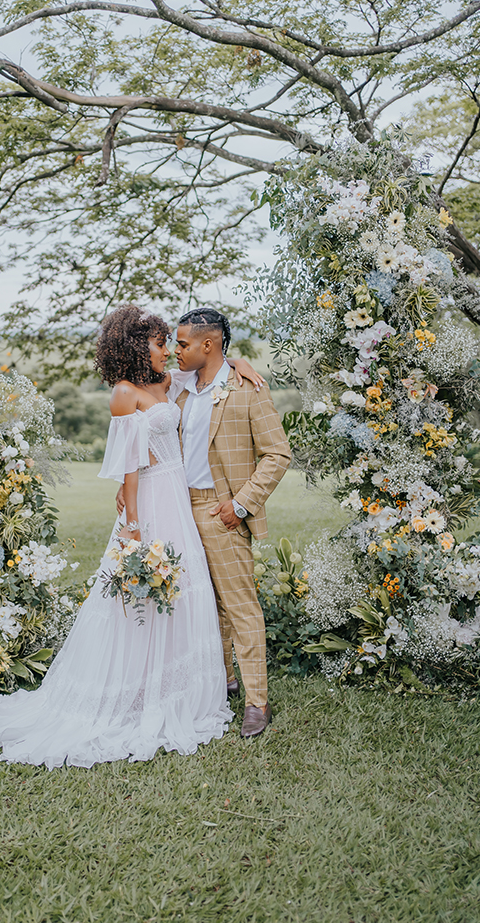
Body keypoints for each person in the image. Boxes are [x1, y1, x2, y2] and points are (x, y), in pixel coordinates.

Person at [0, 305, 260, 768]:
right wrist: (131, 524)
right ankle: (133, 695)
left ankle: (182, 690)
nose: (167, 351)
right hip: (149, 498)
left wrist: (239, 362)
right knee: (141, 598)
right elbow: (129, 465)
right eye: (160, 343)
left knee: (183, 592)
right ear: (134, 346)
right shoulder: (124, 394)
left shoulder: (167, 384)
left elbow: (213, 373)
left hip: (179, 496)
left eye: (169, 343)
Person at [172, 308, 291, 738]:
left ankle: (257, 702)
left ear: (209, 344)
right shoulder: (181, 387)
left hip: (220, 512)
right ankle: (221, 681)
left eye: (182, 343)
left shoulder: (247, 389)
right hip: (177, 511)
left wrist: (239, 505)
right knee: (202, 604)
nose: (175, 351)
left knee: (240, 607)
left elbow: (278, 454)